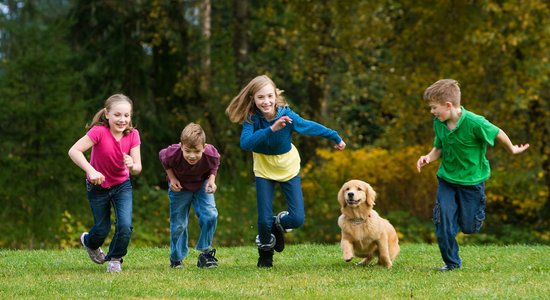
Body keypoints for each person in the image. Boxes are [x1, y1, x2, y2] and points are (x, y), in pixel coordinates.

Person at [226, 75, 346, 267]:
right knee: (263, 221)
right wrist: (271, 129)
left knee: (297, 219)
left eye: (269, 96)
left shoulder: (287, 115)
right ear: (253, 99)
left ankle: (278, 223)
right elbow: (246, 143)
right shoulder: (251, 120)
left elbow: (309, 126)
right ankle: (265, 254)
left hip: (287, 168)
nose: (266, 101)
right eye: (260, 97)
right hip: (264, 170)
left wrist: (334, 136)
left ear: (275, 96)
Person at [416, 79, 529, 272]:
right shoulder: (439, 123)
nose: (432, 112)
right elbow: (438, 148)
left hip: (472, 182)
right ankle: (452, 263)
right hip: (447, 179)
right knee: (443, 222)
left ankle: (468, 215)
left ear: (449, 105)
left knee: (469, 227)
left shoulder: (475, 122)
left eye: (434, 108)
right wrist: (428, 157)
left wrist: (512, 148)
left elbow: (497, 132)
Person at [68, 94, 142, 273]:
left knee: (125, 225)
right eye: (117, 115)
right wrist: (91, 171)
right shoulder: (99, 132)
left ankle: (115, 258)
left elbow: (138, 167)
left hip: (122, 185)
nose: (122, 119)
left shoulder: (133, 135)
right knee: (102, 229)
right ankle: (89, 242)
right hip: (97, 187)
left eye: (126, 115)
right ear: (107, 114)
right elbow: (74, 151)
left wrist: (132, 165)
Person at [159, 123, 220, 269]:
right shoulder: (173, 153)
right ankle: (176, 258)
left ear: (204, 147)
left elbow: (214, 164)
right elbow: (163, 158)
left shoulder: (210, 153)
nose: (192, 156)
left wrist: (212, 180)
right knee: (179, 224)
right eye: (187, 151)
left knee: (210, 214)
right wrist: (172, 178)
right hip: (180, 186)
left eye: (197, 151)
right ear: (181, 146)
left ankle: (205, 253)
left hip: (201, 185)